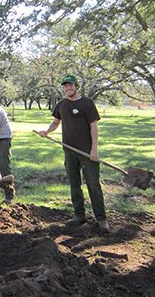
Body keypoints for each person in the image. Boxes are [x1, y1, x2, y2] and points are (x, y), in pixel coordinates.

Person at [36, 74, 109, 234]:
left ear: (76, 86)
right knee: (74, 184)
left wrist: (94, 149)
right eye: (65, 86)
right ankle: (79, 215)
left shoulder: (87, 103)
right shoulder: (61, 105)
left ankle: (101, 219)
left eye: (70, 85)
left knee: (93, 185)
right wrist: (47, 131)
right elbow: (56, 122)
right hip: (69, 151)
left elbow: (93, 126)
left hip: (87, 152)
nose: (67, 88)